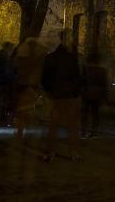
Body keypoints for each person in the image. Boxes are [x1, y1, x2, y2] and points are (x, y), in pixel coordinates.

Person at [41, 30, 82, 162]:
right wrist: (76, 91)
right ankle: (73, 153)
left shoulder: (50, 58)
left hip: (56, 96)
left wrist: (49, 92)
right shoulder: (73, 58)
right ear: (67, 40)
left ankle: (50, 152)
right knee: (72, 126)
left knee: (53, 125)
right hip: (70, 97)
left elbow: (45, 78)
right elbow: (78, 78)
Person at [11, 37, 47, 140]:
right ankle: (29, 129)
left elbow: (15, 66)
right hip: (33, 83)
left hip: (22, 83)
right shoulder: (39, 53)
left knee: (21, 108)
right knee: (29, 106)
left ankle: (20, 131)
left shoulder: (22, 52)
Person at [81, 52, 108, 138]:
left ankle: (83, 131)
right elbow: (104, 84)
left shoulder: (86, 69)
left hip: (87, 93)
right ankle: (94, 132)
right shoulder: (102, 70)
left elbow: (82, 82)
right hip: (97, 94)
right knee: (95, 114)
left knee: (85, 114)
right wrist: (104, 97)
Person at [0, 41, 15, 123]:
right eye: (11, 48)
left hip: (0, 79)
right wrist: (11, 77)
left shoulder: (0, 54)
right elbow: (6, 69)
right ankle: (0, 117)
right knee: (3, 98)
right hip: (3, 80)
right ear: (7, 47)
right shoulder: (4, 55)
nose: (11, 49)